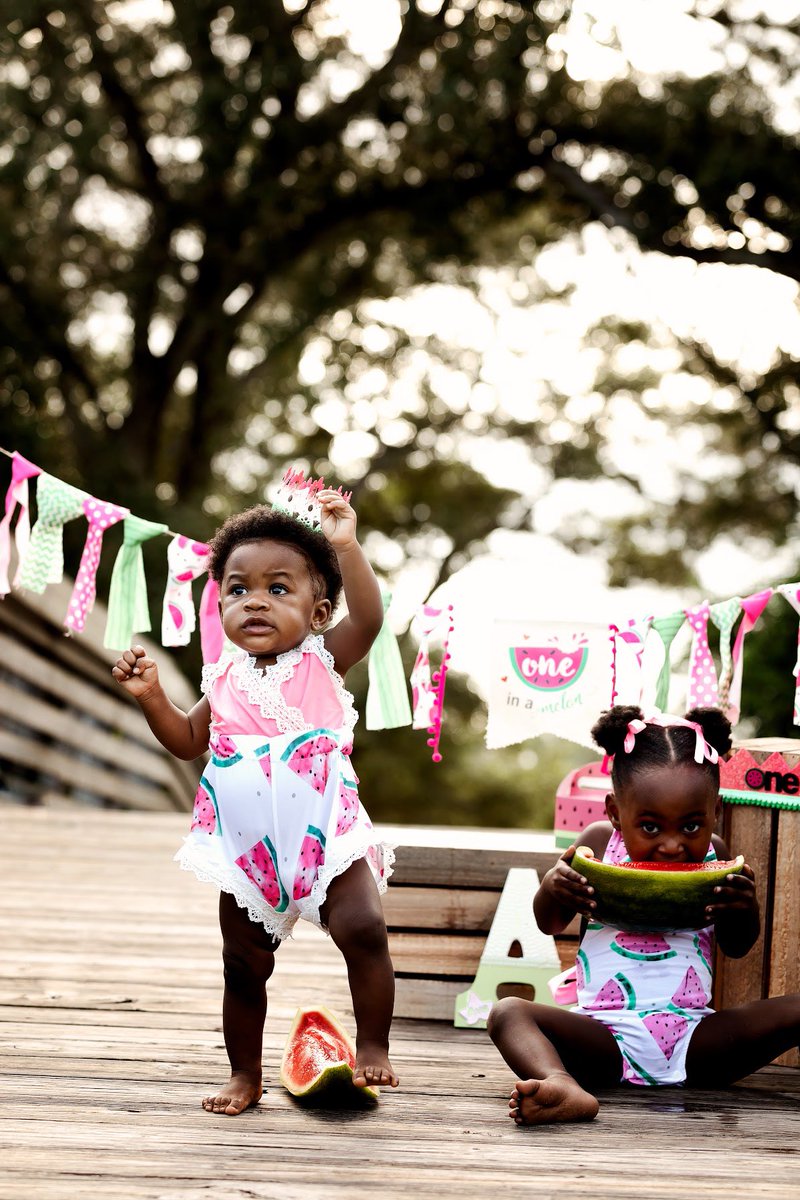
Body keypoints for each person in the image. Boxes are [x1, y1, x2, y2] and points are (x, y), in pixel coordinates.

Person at [112, 481, 399, 1114]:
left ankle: (373, 1046)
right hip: (249, 857)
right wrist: (152, 698)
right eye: (238, 590)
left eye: (278, 587)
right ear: (221, 608)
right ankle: (245, 1074)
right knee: (242, 966)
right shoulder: (225, 680)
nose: (256, 602)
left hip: (326, 840)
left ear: (318, 612)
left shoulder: (324, 663)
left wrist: (346, 547)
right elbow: (188, 742)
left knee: (365, 928)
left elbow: (373, 619)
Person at [488, 704, 800, 1126]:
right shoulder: (598, 844)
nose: (672, 846)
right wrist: (553, 888)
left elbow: (737, 946)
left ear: (715, 811)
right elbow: (550, 923)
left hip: (697, 1042)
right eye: (650, 827)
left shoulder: (719, 856)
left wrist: (745, 907)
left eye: (691, 826)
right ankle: (559, 1081)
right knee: (508, 1012)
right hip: (603, 1040)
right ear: (616, 812)